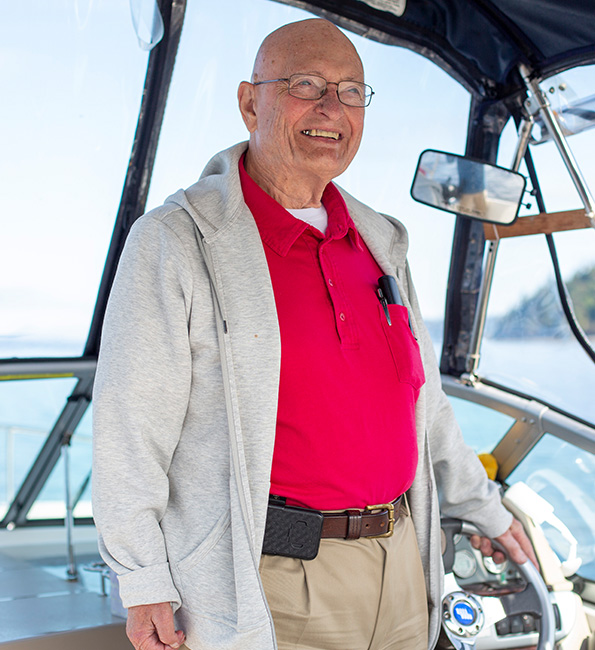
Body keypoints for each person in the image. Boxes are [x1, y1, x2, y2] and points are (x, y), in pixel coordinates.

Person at [92, 18, 536, 650]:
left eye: (352, 91)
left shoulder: (380, 244)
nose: (333, 108)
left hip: (402, 567)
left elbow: (423, 406)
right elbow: (130, 428)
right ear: (251, 102)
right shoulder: (178, 241)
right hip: (273, 583)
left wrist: (484, 507)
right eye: (307, 85)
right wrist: (142, 579)